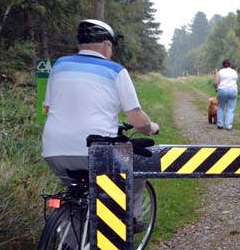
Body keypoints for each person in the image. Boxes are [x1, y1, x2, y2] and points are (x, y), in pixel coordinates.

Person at [42, 19, 159, 221]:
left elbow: (49, 108)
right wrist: (152, 128)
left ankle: (69, 247)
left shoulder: (59, 66)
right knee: (138, 166)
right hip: (96, 150)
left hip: (54, 150)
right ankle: (130, 218)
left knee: (76, 196)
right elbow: (138, 121)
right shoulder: (116, 71)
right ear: (106, 45)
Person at [214, 58, 238, 130]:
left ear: (223, 65)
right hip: (233, 90)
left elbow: (216, 83)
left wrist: (216, 88)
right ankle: (228, 126)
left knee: (220, 107)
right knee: (230, 108)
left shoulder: (220, 72)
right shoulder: (234, 71)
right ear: (229, 64)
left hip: (222, 90)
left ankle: (220, 124)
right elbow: (236, 82)